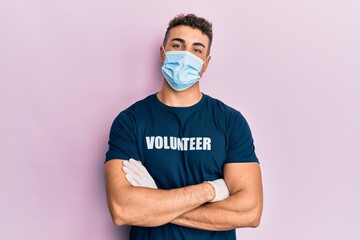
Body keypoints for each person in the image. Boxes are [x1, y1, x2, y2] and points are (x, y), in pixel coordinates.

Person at [104, 13, 263, 240]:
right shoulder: (130, 121)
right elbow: (123, 210)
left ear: (205, 64)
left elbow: (250, 211)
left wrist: (155, 202)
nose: (186, 55)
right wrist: (211, 190)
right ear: (163, 53)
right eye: (178, 45)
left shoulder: (230, 121)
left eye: (197, 50)